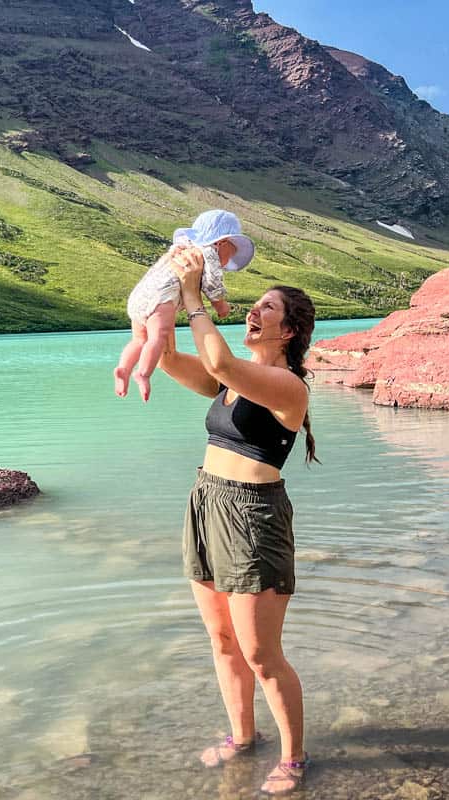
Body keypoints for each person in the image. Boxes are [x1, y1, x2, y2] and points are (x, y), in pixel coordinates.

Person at [158, 242, 318, 796]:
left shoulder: (288, 388)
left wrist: (194, 296)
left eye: (267, 308)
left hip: (253, 516)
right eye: (253, 304)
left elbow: (220, 361)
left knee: (260, 652)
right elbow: (172, 360)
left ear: (289, 331)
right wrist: (161, 304)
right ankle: (243, 737)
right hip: (205, 503)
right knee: (222, 640)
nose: (253, 310)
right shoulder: (231, 380)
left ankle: (294, 757)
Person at [114, 209, 253, 402]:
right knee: (158, 337)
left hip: (139, 296)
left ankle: (123, 369)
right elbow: (212, 282)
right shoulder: (208, 252)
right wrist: (220, 304)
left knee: (139, 339)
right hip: (160, 299)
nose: (227, 262)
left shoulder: (182, 248)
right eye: (230, 254)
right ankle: (143, 374)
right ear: (221, 242)